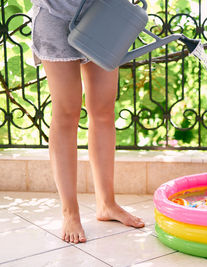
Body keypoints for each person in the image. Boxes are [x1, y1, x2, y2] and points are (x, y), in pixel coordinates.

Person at [30, 0, 144, 244]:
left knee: (104, 110)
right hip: (55, 14)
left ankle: (107, 203)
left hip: (103, 11)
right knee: (66, 112)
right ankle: (70, 211)